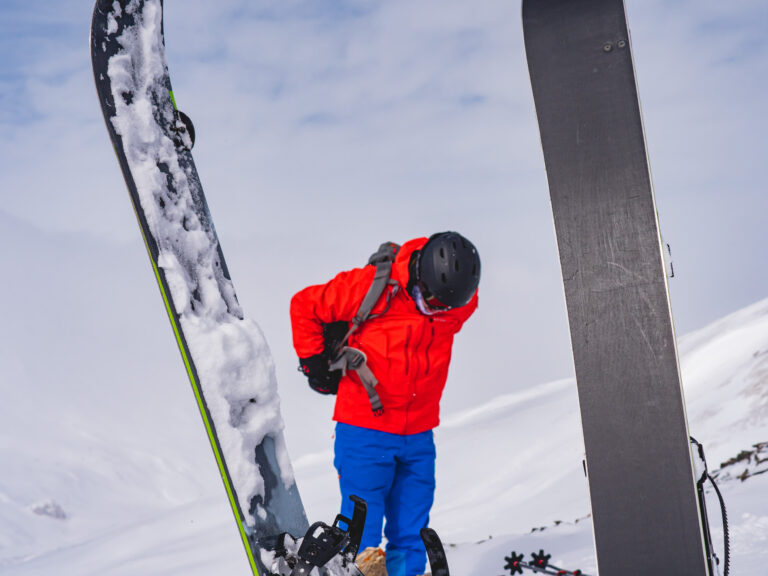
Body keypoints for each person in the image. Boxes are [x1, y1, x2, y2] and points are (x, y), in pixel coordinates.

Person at [289, 231, 480, 576]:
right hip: (365, 429)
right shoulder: (373, 287)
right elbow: (304, 305)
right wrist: (314, 363)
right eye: (431, 300)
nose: (435, 309)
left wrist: (444, 304)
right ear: (419, 275)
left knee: (412, 532)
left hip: (419, 434)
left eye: (444, 306)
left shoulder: (458, 303)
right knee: (361, 536)